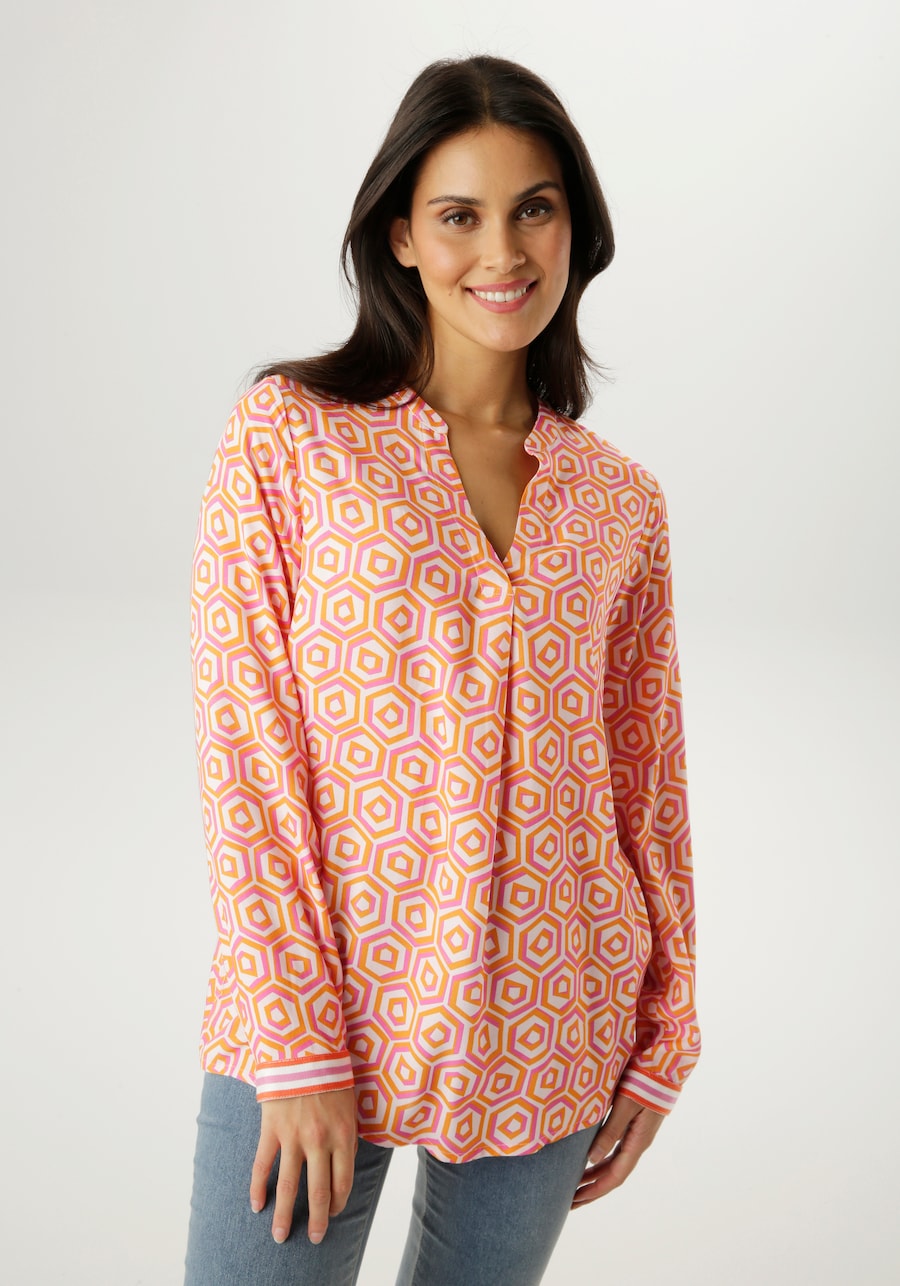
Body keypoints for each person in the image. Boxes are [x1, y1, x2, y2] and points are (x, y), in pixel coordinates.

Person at [184, 53, 700, 1286]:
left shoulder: (619, 502)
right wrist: (296, 1041)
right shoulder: (292, 440)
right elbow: (247, 746)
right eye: (460, 214)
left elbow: (648, 781)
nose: (502, 250)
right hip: (325, 1007)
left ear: (575, 228)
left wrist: (666, 1028)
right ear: (402, 237)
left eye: (535, 208)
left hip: (555, 1010)